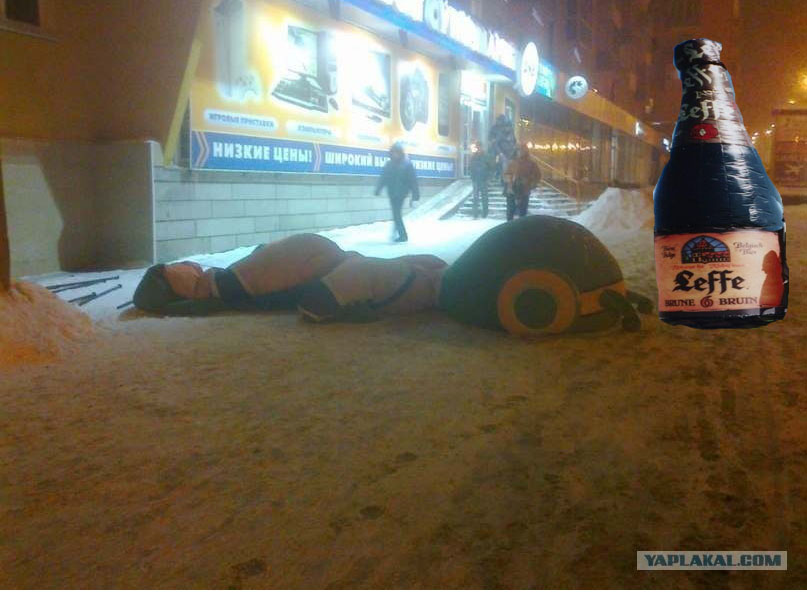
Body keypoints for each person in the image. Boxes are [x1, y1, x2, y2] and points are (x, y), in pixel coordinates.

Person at [132, 233, 447, 322]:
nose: (189, 263)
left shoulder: (230, 282)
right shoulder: (228, 285)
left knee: (413, 269)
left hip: (332, 262)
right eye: (183, 270)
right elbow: (315, 303)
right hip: (332, 266)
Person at [375, 142, 420, 242]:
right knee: (396, 214)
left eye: (397, 152)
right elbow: (383, 178)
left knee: (396, 214)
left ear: (400, 153)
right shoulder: (389, 164)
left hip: (401, 194)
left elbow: (413, 181)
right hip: (392, 193)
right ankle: (397, 232)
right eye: (393, 152)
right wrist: (378, 189)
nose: (395, 154)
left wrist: (415, 196)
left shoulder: (407, 164)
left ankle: (403, 235)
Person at [504, 144, 543, 221]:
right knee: (510, 212)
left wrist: (530, 183)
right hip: (512, 190)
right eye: (519, 150)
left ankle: (521, 227)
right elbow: (505, 174)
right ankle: (509, 227)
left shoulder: (531, 163)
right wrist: (510, 179)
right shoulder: (511, 162)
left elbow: (537, 176)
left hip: (524, 191)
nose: (520, 152)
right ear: (516, 151)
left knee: (522, 212)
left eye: (522, 150)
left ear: (526, 151)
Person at [488, 114, 517, 183]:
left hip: (507, 151)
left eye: (501, 121)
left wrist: (513, 147)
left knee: (506, 164)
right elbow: (490, 138)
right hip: (496, 149)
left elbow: (514, 141)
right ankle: (493, 175)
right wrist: (492, 140)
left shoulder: (508, 130)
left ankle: (503, 178)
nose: (500, 122)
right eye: (499, 120)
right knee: (494, 161)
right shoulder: (494, 128)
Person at [468, 142, 492, 219]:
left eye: (479, 147)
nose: (478, 148)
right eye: (477, 147)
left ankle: (485, 213)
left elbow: (490, 168)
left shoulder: (486, 156)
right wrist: (472, 176)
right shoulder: (473, 156)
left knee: (484, 197)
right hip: (475, 179)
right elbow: (470, 167)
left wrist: (488, 178)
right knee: (475, 198)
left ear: (481, 147)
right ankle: (475, 214)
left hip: (483, 179)